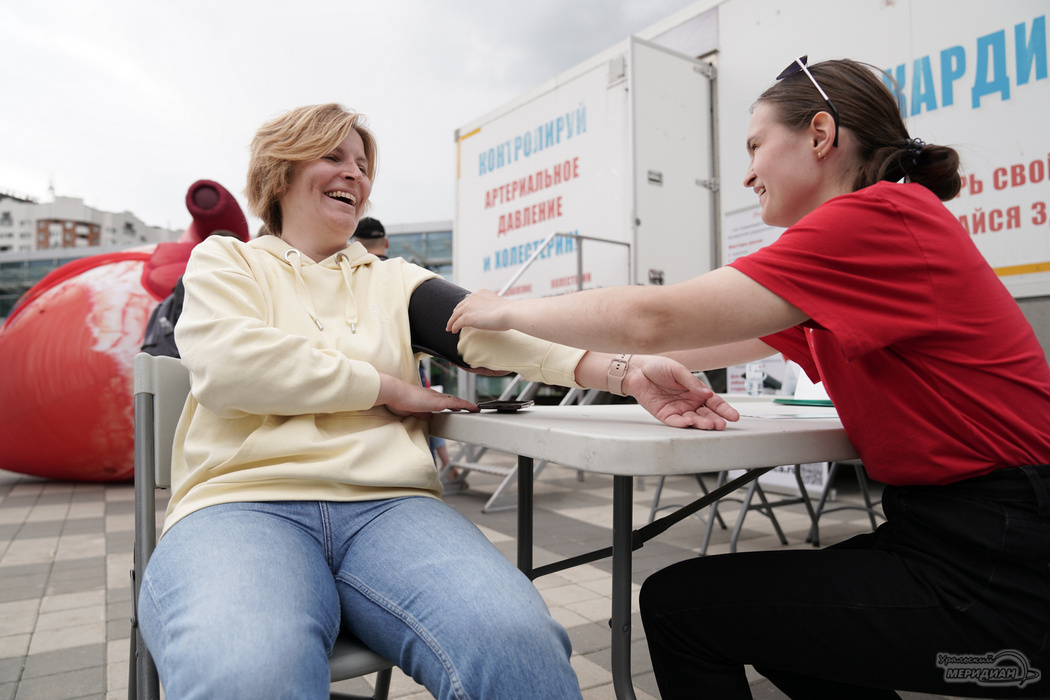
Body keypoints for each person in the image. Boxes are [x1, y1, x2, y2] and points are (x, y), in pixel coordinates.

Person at [448, 58, 1050, 699]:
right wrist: (556, 354)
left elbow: (655, 318)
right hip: (963, 536)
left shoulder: (879, 218)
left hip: (1003, 569)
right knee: (782, 631)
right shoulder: (864, 246)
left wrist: (507, 308)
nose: (746, 172)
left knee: (687, 610)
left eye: (756, 145)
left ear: (820, 135)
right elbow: (692, 340)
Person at [137, 102, 737, 700]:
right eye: (333, 156)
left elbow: (494, 333)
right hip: (243, 505)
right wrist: (388, 388)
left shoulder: (393, 279)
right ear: (281, 170)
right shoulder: (227, 259)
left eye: (363, 165)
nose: (355, 174)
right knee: (249, 673)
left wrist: (622, 372)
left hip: (388, 509)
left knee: (517, 642)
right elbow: (229, 365)